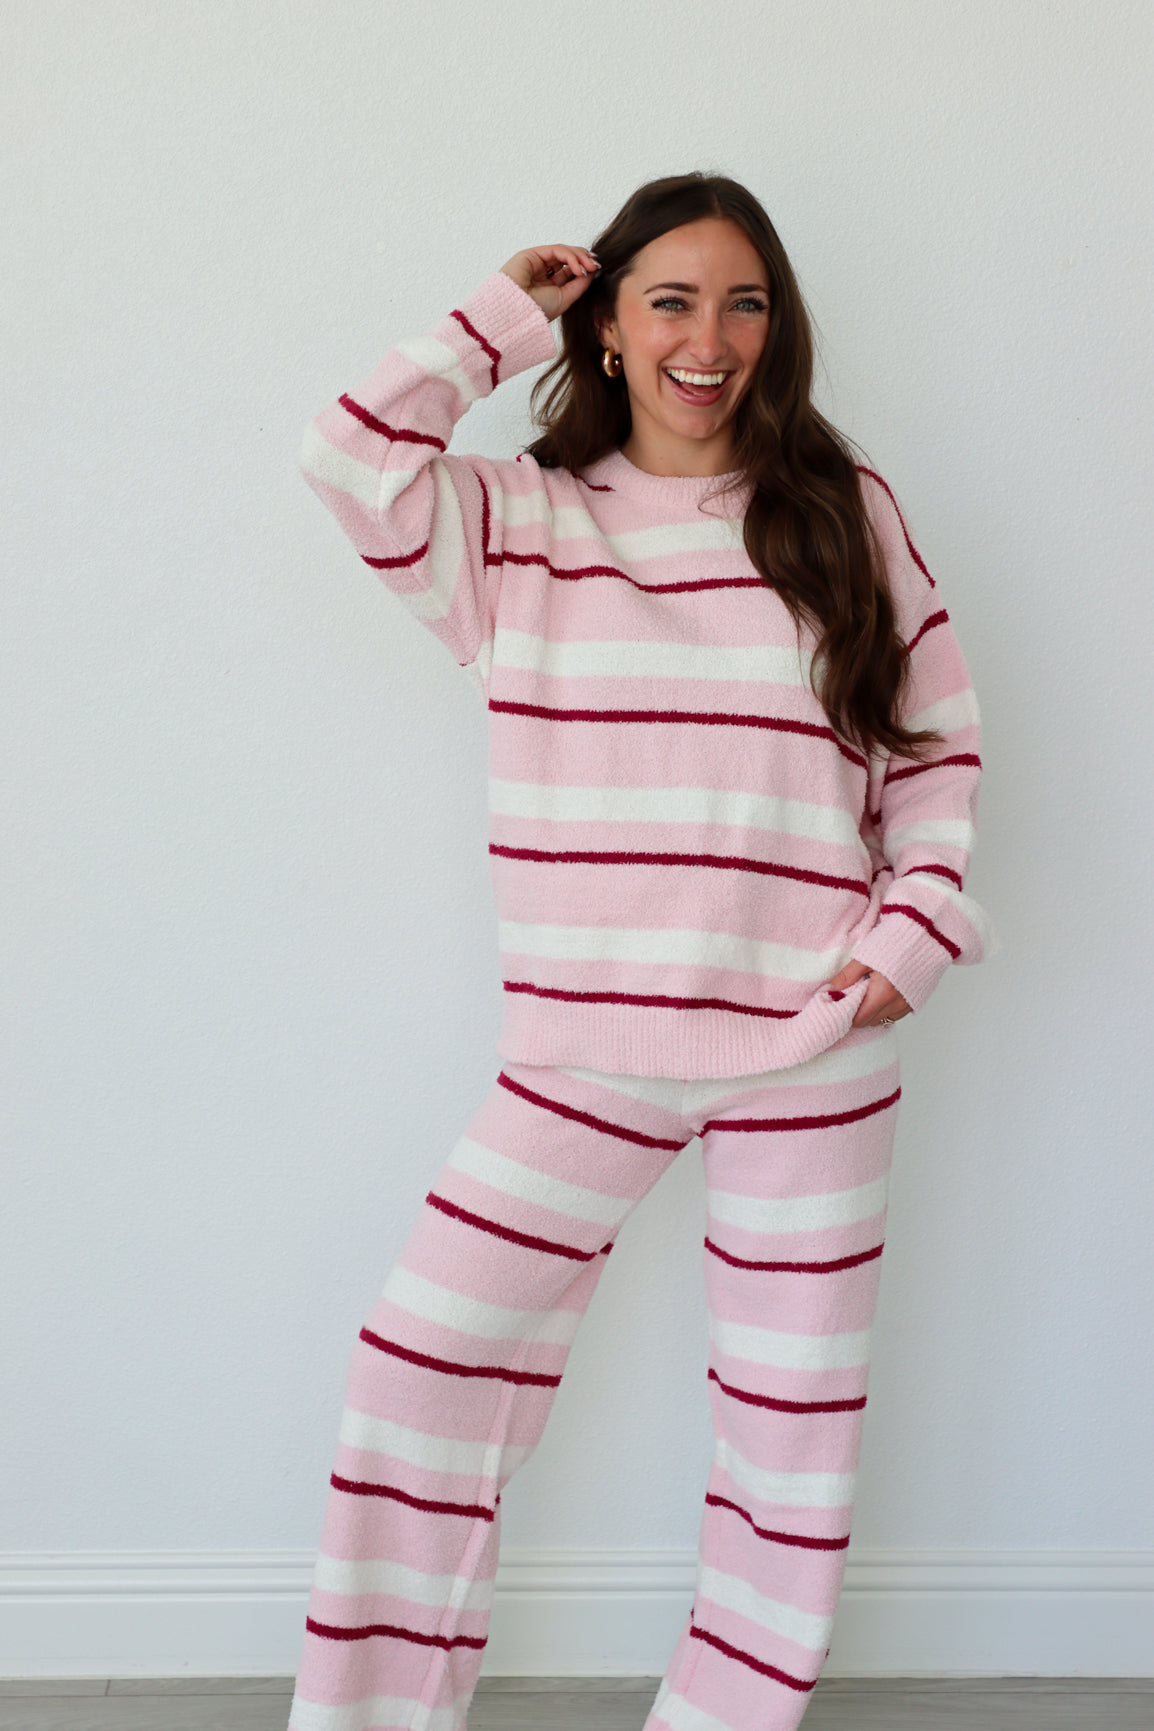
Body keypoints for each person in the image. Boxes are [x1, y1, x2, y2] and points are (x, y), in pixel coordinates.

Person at [286, 172, 992, 1731]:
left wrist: (912, 934)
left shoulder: (839, 505)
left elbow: (935, 749)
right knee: (418, 1375)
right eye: (667, 298)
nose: (709, 336)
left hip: (814, 1039)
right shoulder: (514, 522)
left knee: (784, 1430)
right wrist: (489, 316)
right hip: (582, 1048)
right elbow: (349, 460)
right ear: (602, 323)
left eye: (743, 302)